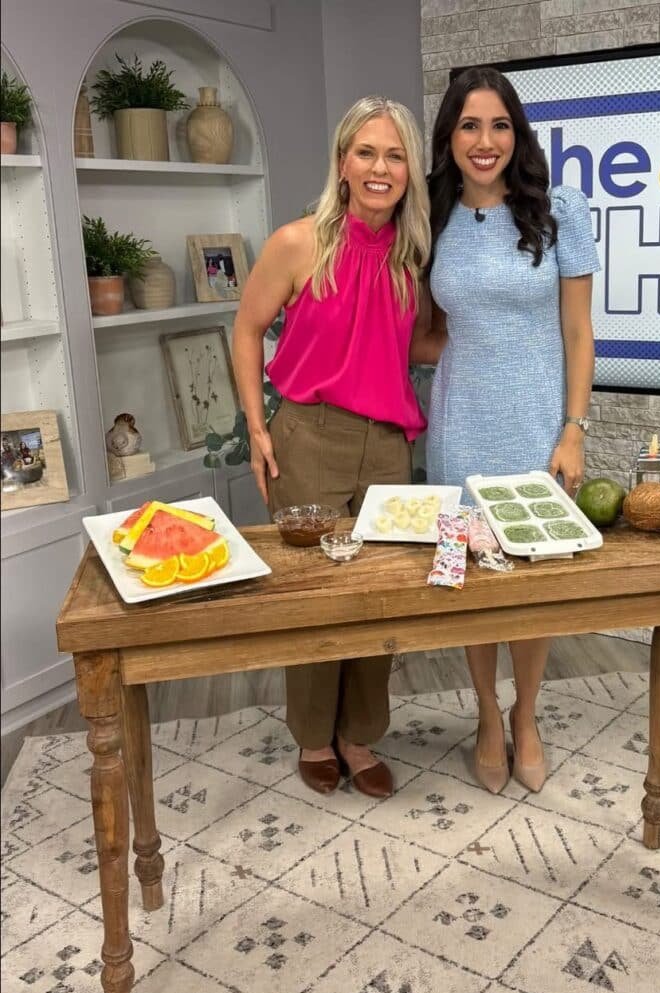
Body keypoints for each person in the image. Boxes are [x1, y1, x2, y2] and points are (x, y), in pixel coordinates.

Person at [233, 96, 430, 798]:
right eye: (367, 153)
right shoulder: (297, 243)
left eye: (396, 155)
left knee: (379, 595)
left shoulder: (415, 256)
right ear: (342, 162)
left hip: (387, 448)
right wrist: (257, 426)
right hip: (308, 436)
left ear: (410, 170)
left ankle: (359, 736)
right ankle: (314, 737)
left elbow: (422, 340)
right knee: (315, 595)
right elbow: (248, 327)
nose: (381, 168)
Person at [411, 67, 600, 795]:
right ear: (449, 138)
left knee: (534, 587)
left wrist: (573, 429)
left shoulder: (560, 211)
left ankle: (528, 715)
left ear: (515, 135)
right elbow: (426, 332)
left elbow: (579, 333)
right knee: (472, 585)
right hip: (459, 427)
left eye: (498, 126)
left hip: (537, 426)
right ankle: (487, 714)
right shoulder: (429, 214)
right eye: (468, 126)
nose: (483, 141)